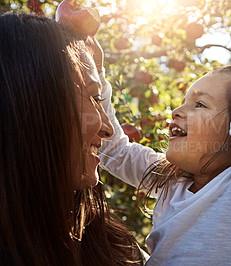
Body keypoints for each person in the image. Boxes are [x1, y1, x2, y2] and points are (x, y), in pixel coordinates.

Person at [99, 46, 231, 264]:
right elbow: (114, 151)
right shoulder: (173, 182)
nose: (176, 111)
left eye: (199, 104)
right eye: (184, 101)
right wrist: (95, 71)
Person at [0, 12, 144, 265]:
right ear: (34, 101)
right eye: (93, 99)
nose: (108, 129)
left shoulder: (105, 240)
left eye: (99, 99)